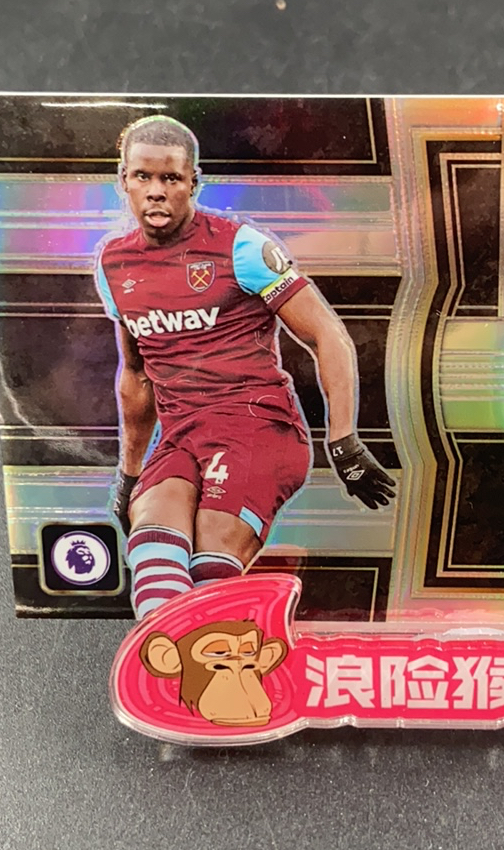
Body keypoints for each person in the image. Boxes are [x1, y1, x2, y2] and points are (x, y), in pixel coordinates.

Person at [94, 115, 394, 619]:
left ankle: (201, 659)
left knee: (209, 558)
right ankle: (168, 662)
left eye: (171, 178)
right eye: (143, 176)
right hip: (181, 435)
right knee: (151, 540)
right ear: (124, 180)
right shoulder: (113, 264)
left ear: (194, 182)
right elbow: (137, 374)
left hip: (256, 427)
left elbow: (327, 334)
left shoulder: (242, 247)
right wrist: (128, 474)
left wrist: (343, 440)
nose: (156, 191)